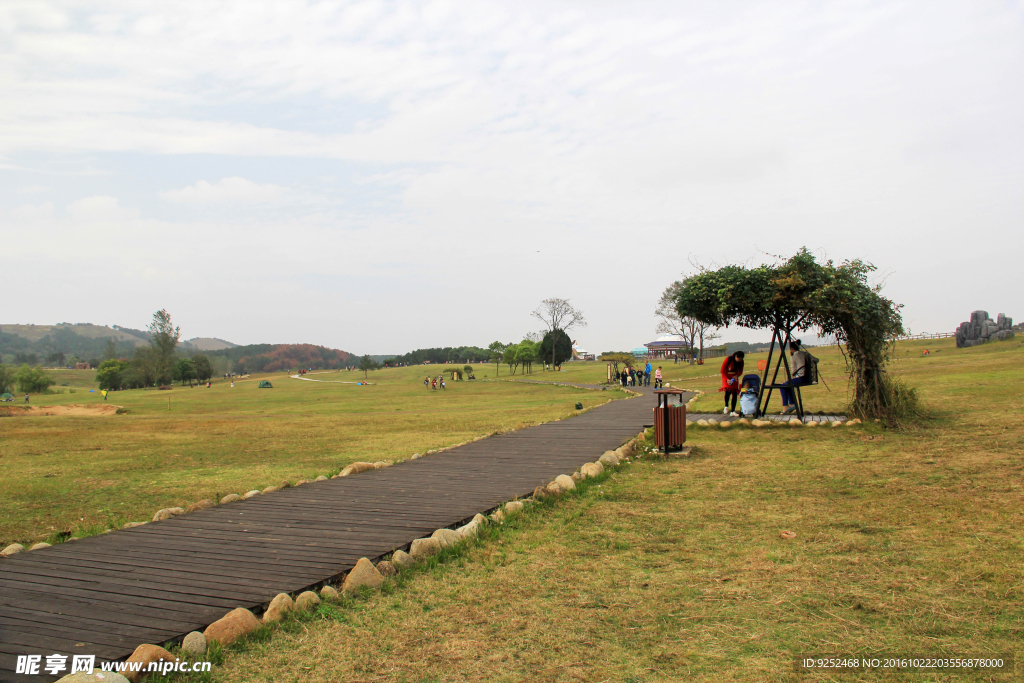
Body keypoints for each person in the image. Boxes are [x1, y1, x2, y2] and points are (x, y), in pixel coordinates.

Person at [780, 340, 810, 414]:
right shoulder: (805, 354)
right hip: (807, 377)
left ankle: (786, 406)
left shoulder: (793, 357)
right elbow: (816, 359)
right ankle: (792, 404)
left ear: (791, 349)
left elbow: (793, 372)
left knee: (783, 386)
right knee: (788, 386)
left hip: (801, 378)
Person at [720, 351, 745, 415]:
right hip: (727, 376)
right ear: (736, 356)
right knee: (728, 392)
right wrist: (727, 379)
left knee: (735, 393)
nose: (739, 361)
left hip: (734, 378)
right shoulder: (728, 359)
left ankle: (733, 411)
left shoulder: (741, 362)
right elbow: (722, 370)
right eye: (739, 359)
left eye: (741, 359)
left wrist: (737, 376)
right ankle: (726, 406)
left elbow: (741, 371)